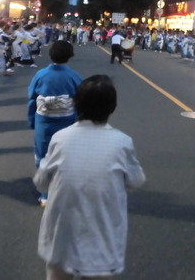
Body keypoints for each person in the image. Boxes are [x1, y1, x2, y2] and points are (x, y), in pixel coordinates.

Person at [34, 75, 145, 279]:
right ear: (112, 108)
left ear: (76, 103)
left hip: (61, 237)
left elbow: (41, 182)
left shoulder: (60, 138)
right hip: (101, 238)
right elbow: (137, 180)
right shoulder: (122, 142)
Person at [27, 41, 83, 207]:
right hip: (67, 121)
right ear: (71, 55)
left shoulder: (41, 75)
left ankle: (45, 193)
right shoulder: (74, 76)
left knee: (44, 155)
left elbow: (32, 98)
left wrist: (32, 120)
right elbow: (80, 100)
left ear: (50, 54)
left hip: (44, 121)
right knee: (65, 155)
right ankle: (64, 190)